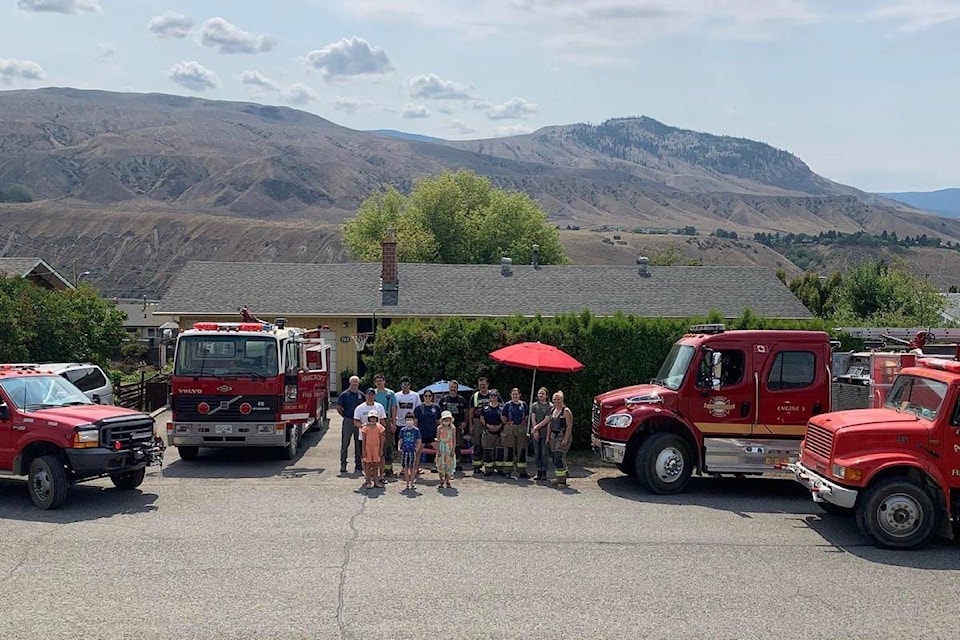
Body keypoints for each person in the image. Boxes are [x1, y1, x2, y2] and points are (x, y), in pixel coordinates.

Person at [437, 379, 468, 474]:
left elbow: (466, 413)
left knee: (456, 444)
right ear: (449, 387)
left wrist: (464, 422)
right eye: (451, 387)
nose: (453, 389)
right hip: (445, 427)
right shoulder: (443, 399)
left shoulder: (462, 399)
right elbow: (439, 413)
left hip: (457, 426)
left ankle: (457, 463)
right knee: (444, 444)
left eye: (455, 387)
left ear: (457, 389)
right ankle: (443, 462)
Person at [336, 375, 365, 474]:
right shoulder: (344, 394)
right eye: (353, 382)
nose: (355, 383)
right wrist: (344, 416)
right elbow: (339, 408)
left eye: (356, 382)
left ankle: (358, 464)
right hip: (348, 420)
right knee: (345, 443)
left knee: (358, 443)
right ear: (350, 383)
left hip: (358, 421)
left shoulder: (361, 395)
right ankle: (343, 464)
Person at [547, 390, 574, 488]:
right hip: (553, 437)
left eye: (558, 399)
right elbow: (550, 424)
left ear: (562, 400)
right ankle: (561, 476)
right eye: (555, 399)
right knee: (554, 458)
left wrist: (566, 439)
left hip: (562, 437)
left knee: (559, 457)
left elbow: (569, 426)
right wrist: (548, 437)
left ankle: (562, 482)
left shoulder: (566, 411)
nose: (556, 401)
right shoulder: (552, 410)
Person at [373, 373, 398, 477]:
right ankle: (376, 468)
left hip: (387, 420)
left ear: (384, 381)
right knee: (376, 444)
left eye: (381, 381)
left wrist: (393, 423)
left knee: (388, 444)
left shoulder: (390, 393)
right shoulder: (373, 393)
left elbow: (394, 407)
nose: (379, 383)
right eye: (377, 381)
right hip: (374, 420)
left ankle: (388, 469)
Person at [502, 387, 530, 479]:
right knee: (509, 450)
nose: (515, 396)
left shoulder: (523, 404)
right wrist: (507, 422)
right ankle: (508, 471)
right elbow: (503, 417)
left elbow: (526, 415)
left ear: (519, 395)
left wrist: (524, 421)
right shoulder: (507, 405)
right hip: (510, 428)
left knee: (521, 450)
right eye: (513, 394)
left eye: (516, 394)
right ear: (511, 395)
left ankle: (522, 471)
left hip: (521, 429)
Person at [413, 389, 440, 475]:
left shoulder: (436, 408)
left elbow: (439, 422)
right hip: (421, 434)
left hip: (433, 434)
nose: (428, 397)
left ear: (432, 397)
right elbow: (415, 422)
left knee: (441, 451)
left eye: (429, 396)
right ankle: (415, 470)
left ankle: (439, 467)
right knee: (417, 453)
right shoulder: (418, 408)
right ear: (423, 397)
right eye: (426, 396)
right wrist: (415, 435)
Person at [469, 377, 492, 477]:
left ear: (487, 384)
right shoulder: (475, 396)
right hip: (477, 421)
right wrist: (471, 425)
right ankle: (477, 466)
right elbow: (470, 412)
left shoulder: (493, 394)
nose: (482, 386)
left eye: (484, 384)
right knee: (477, 444)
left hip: (491, 421)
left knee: (488, 444)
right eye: (480, 385)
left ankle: (489, 467)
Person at [480, 389, 506, 476]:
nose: (493, 397)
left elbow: (505, 419)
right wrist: (487, 425)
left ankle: (499, 469)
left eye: (495, 395)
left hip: (499, 432)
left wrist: (500, 426)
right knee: (487, 451)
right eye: (491, 396)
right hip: (488, 432)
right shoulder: (485, 407)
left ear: (498, 397)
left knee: (500, 452)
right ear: (489, 397)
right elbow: (482, 418)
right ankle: (488, 469)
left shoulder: (502, 407)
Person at [529, 387, 553, 483]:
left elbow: (547, 420)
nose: (540, 395)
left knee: (544, 453)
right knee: (537, 453)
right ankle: (538, 471)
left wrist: (536, 428)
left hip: (545, 433)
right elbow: (533, 418)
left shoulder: (550, 406)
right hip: (536, 433)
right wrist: (535, 430)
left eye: (542, 394)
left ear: (546, 395)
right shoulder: (534, 405)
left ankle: (544, 472)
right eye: (539, 393)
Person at [361, 410, 386, 489]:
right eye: (371, 418)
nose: (373, 419)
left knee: (376, 465)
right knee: (368, 465)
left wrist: (381, 449)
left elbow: (382, 439)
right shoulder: (365, 428)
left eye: (374, 418)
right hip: (368, 448)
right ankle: (368, 481)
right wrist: (363, 450)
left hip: (376, 447)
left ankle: (376, 481)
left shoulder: (380, 427)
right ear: (368, 418)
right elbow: (363, 440)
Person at [398, 414, 422, 491]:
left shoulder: (416, 430)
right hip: (405, 451)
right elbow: (401, 439)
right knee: (405, 467)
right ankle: (407, 482)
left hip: (412, 451)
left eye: (410, 419)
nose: (409, 421)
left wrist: (417, 449)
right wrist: (399, 447)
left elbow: (419, 440)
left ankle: (412, 482)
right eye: (407, 420)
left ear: (413, 420)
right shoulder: (403, 430)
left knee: (412, 467)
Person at [435, 410, 457, 489]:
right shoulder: (439, 428)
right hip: (441, 447)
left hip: (449, 447)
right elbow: (437, 439)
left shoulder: (453, 428)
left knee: (449, 465)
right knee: (441, 465)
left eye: (448, 419)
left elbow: (454, 440)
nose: (446, 421)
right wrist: (438, 450)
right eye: (445, 419)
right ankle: (441, 480)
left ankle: (447, 480)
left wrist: (453, 450)